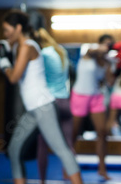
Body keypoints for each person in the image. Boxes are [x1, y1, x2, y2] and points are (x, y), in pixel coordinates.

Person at [0, 10, 83, 184]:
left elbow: (13, 77)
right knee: (14, 150)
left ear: (18, 28)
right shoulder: (14, 45)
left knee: (61, 150)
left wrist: (3, 62)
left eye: (7, 30)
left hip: (43, 106)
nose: (5, 34)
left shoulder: (28, 47)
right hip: (32, 110)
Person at [70, 34, 116, 180]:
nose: (106, 48)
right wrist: (103, 49)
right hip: (80, 95)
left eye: (109, 45)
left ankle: (102, 169)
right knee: (74, 133)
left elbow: (109, 82)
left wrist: (117, 66)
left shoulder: (107, 62)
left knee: (102, 132)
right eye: (105, 45)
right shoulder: (88, 54)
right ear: (100, 45)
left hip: (96, 96)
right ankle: (68, 167)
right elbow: (92, 50)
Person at [33, 28, 74, 183]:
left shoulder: (42, 55)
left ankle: (42, 181)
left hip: (50, 102)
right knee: (69, 144)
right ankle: (70, 175)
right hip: (65, 101)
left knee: (43, 144)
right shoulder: (61, 51)